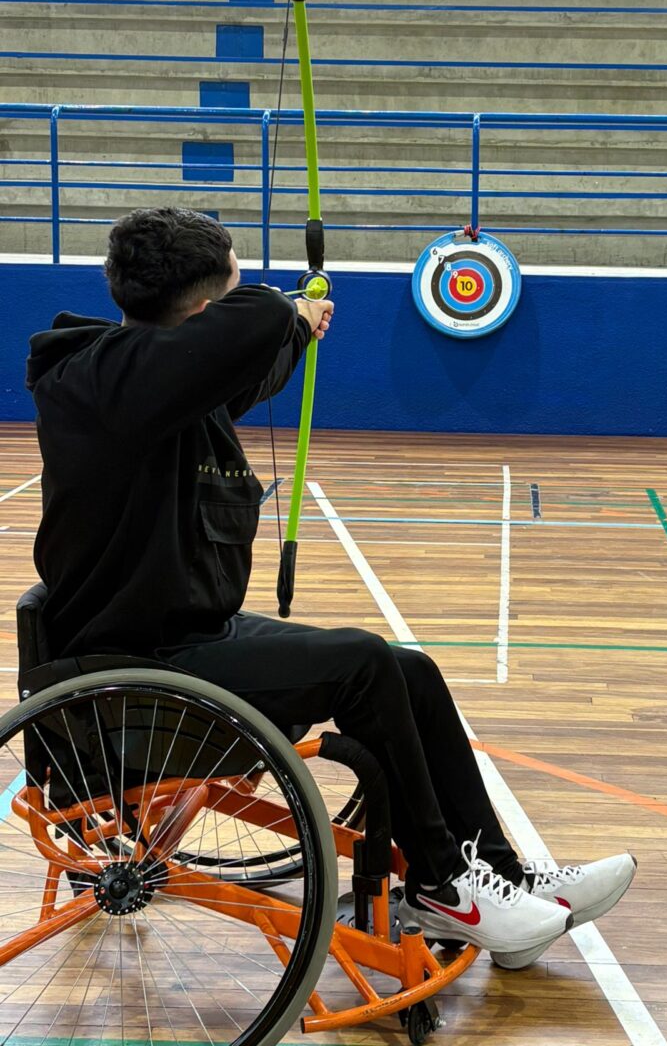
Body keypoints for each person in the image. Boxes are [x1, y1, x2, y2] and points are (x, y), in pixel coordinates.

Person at [26, 206, 635, 967]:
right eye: (235, 283)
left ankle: (497, 874)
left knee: (404, 665)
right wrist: (285, 306)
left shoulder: (157, 386)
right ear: (208, 308)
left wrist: (298, 330)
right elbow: (243, 327)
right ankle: (446, 886)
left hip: (185, 637)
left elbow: (238, 359)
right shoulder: (105, 382)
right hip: (130, 666)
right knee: (362, 662)